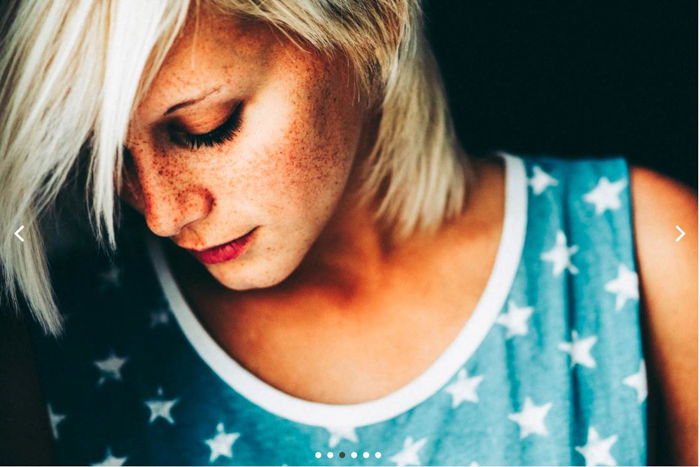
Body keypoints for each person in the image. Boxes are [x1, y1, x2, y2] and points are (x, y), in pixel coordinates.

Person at [0, 0, 696, 465]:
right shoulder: (53, 347)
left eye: (205, 129)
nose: (160, 211)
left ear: (375, 20)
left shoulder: (641, 250)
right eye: (108, 156)